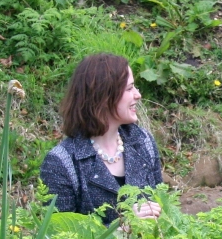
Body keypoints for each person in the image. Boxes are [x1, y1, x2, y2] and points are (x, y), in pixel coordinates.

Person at [40, 53, 162, 224]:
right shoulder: (61, 162)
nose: (138, 95)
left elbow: (164, 206)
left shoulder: (143, 141)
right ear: (103, 97)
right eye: (129, 89)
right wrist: (122, 228)